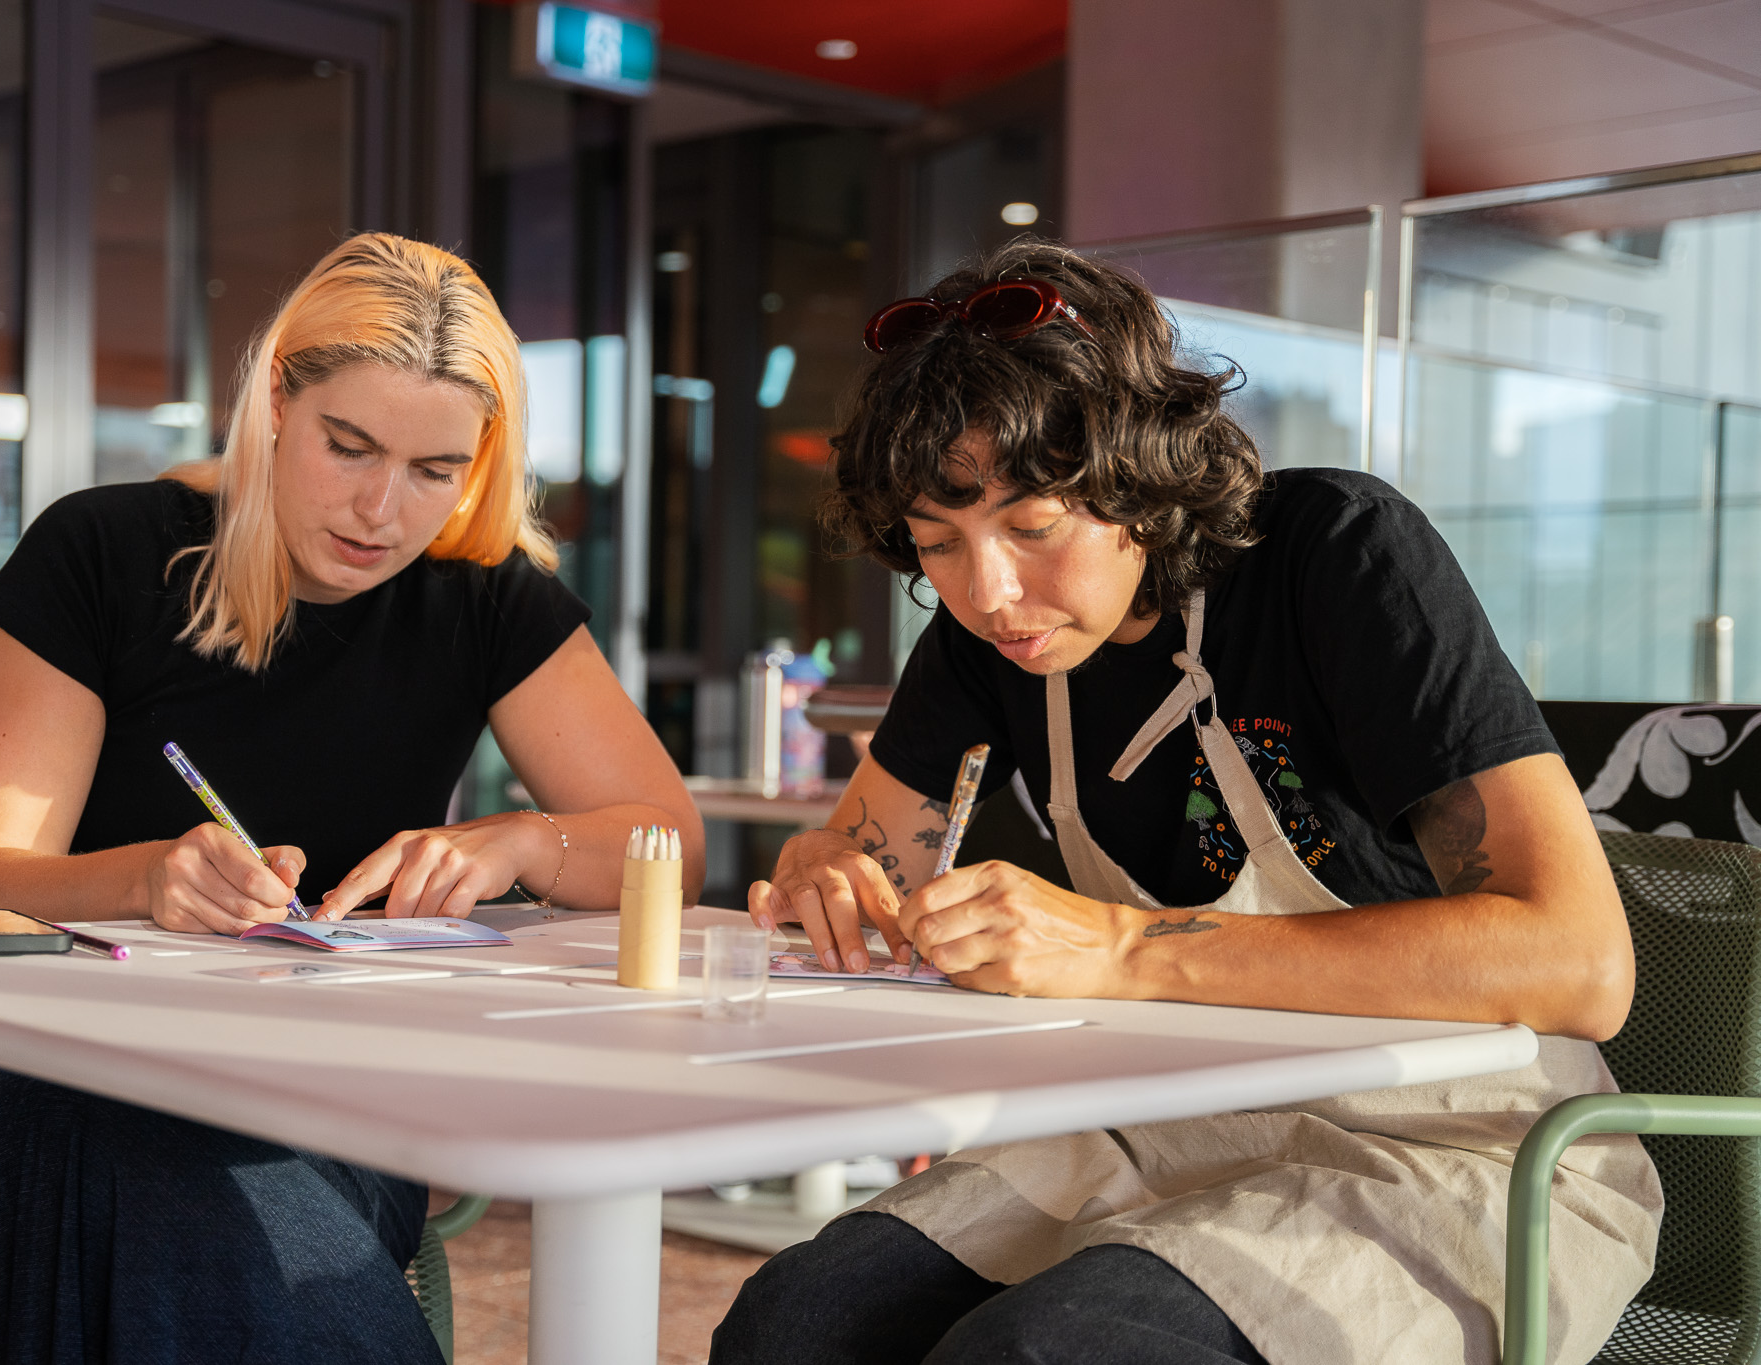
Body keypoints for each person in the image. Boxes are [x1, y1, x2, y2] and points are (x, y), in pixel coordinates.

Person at [711, 240, 1659, 1365]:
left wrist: (1118, 945)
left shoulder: (1337, 554)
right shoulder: (988, 641)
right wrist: (831, 869)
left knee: (1045, 1353)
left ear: (1138, 483)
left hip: (1454, 1145)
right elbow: (869, 853)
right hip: (1161, 1128)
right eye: (936, 544)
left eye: (1031, 527)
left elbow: (1578, 966)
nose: (987, 592)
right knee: (792, 1325)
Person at [0, 233, 703, 1363]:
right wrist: (147, 878)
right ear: (269, 410)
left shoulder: (482, 592)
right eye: (346, 446)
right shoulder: (104, 552)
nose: (381, 510)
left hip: (318, 1100)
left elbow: (669, 850)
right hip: (30, 1066)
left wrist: (522, 844)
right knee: (156, 1183)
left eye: (434, 470)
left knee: (179, 1211)